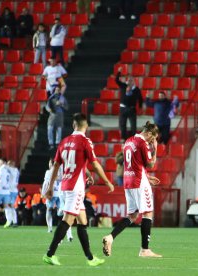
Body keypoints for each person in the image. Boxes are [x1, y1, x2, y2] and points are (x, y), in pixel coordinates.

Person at [42, 113, 114, 267]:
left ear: (73, 125)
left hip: (65, 185)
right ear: (85, 126)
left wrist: (49, 188)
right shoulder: (85, 141)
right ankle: (49, 254)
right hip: (75, 188)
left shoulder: (64, 141)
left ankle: (90, 258)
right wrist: (107, 181)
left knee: (83, 221)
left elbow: (56, 166)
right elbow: (94, 164)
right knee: (67, 221)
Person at [102, 121, 162, 258]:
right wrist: (155, 149)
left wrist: (147, 176)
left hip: (128, 181)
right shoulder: (142, 143)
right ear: (148, 133)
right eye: (152, 138)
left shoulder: (129, 141)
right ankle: (145, 250)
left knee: (132, 216)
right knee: (147, 213)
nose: (152, 141)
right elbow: (151, 163)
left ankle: (110, 237)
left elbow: (134, 163)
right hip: (139, 182)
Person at [116, 67, 143, 140]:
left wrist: (140, 107)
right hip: (123, 108)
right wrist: (119, 72)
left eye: (131, 80)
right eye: (129, 79)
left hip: (132, 109)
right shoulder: (123, 86)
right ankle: (123, 138)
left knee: (133, 126)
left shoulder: (136, 89)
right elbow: (117, 81)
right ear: (127, 80)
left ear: (133, 81)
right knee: (122, 124)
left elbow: (140, 99)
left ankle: (133, 139)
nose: (130, 81)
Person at [47, 84, 69, 150]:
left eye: (58, 90)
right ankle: (51, 144)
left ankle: (57, 143)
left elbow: (67, 107)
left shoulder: (62, 98)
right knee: (50, 129)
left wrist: (61, 104)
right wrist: (49, 109)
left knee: (59, 130)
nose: (57, 91)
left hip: (60, 114)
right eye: (56, 89)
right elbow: (47, 106)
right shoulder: (51, 98)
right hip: (52, 115)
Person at [7, 160, 19, 227]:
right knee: (9, 206)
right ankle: (11, 221)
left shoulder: (14, 170)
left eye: (9, 164)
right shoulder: (15, 170)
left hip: (12, 191)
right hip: (12, 190)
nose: (8, 165)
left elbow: (6, 168)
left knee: (11, 206)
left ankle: (14, 221)